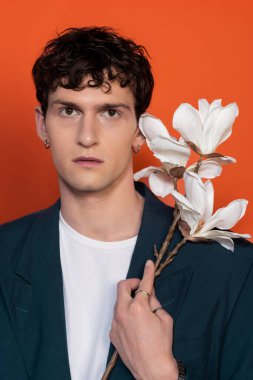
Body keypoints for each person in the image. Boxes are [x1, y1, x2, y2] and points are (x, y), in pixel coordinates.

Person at [0, 26, 252, 380]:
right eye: (69, 111)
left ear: (140, 132)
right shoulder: (5, 255)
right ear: (43, 125)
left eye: (110, 113)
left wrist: (159, 373)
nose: (87, 136)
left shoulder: (232, 269)